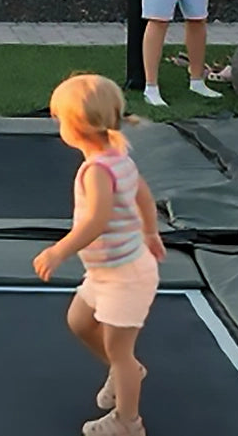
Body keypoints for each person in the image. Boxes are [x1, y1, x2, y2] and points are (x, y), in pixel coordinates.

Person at [34, 73, 165, 436]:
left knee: (119, 350)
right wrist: (150, 232)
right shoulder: (116, 156)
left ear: (76, 128)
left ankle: (128, 422)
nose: (57, 124)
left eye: (59, 118)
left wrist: (59, 250)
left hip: (126, 277)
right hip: (106, 272)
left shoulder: (97, 171)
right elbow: (142, 194)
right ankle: (127, 372)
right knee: (79, 322)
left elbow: (97, 219)